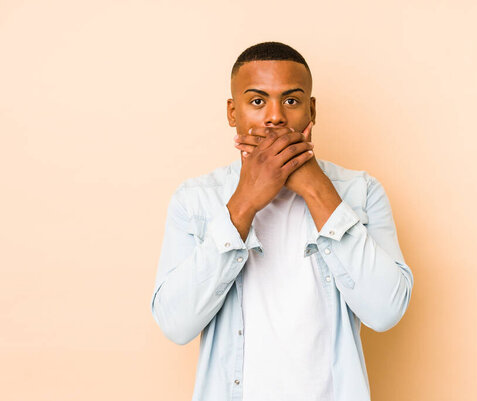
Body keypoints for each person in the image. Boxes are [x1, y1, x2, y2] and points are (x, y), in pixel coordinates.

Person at [150, 41, 414, 401]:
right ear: (232, 112)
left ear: (312, 110)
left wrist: (318, 190)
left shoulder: (360, 192)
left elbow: (385, 311)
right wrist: (243, 203)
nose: (275, 117)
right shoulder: (195, 200)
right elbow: (176, 324)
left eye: (291, 100)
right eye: (257, 101)